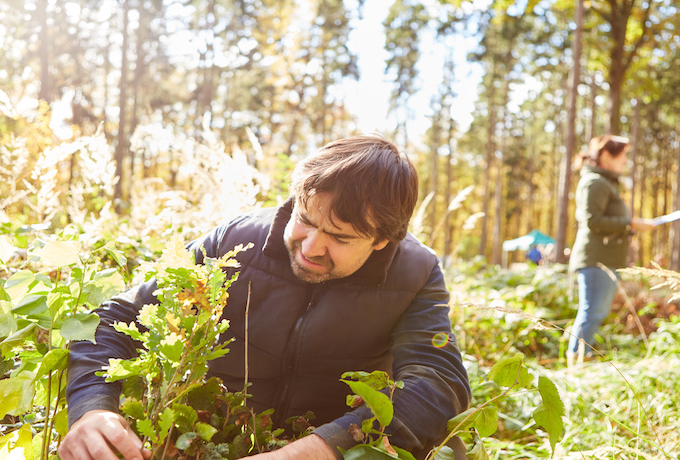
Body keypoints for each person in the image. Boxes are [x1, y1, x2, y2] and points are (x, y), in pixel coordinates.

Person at [59, 135, 471, 460]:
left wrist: (318, 451)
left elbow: (438, 384)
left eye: (340, 237)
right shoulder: (234, 242)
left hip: (330, 446)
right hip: (210, 439)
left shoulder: (415, 273)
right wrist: (93, 409)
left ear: (382, 240)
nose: (311, 247)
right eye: (305, 220)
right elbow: (114, 318)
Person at [567, 134, 654, 365]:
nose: (626, 161)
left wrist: (629, 229)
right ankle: (574, 366)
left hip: (605, 258)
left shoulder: (603, 182)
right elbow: (592, 221)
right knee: (591, 313)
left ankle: (579, 361)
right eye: (623, 155)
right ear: (606, 155)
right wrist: (630, 223)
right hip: (596, 259)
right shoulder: (594, 182)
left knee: (595, 312)